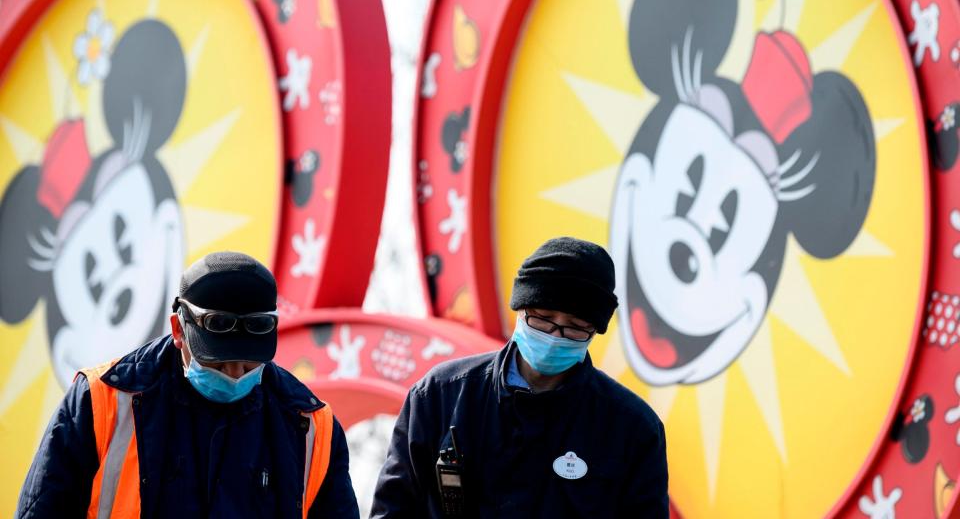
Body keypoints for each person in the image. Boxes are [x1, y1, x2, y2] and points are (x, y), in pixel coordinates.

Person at [16, 251, 359, 518]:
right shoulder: (99, 402)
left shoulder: (312, 427)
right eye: (218, 360)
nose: (235, 373)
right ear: (178, 331)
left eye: (249, 363)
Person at [371, 237, 669, 518]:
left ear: (594, 332)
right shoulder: (439, 396)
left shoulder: (633, 429)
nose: (555, 336)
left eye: (574, 326)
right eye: (542, 318)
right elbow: (393, 508)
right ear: (520, 310)